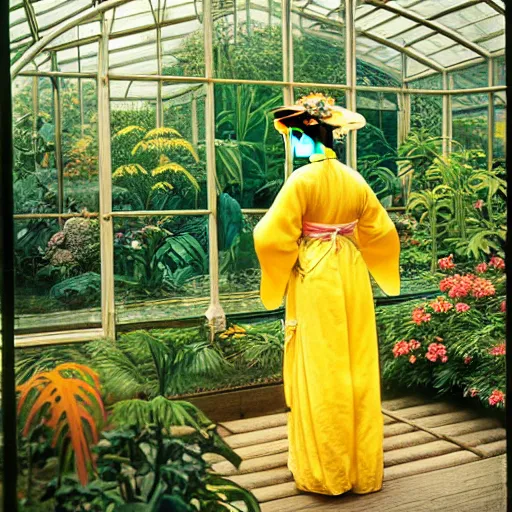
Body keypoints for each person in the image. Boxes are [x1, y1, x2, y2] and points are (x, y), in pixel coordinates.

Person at [253, 93, 400, 496]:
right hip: (350, 269)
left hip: (315, 270)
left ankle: (326, 471)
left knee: (321, 366)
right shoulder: (355, 179)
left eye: (297, 135)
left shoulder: (302, 180)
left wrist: (293, 254)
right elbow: (382, 230)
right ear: (332, 136)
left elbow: (268, 234)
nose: (295, 142)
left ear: (306, 137)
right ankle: (362, 469)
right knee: (356, 364)